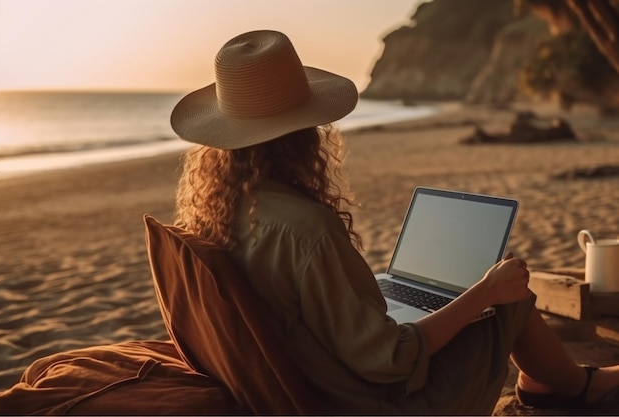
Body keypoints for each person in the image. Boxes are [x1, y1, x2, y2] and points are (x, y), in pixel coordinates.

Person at [169, 29, 619, 414]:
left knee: (451, 298)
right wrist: (485, 291)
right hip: (369, 402)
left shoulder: (220, 211)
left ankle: (552, 381)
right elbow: (391, 358)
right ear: (305, 133)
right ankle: (572, 386)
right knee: (510, 297)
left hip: (300, 382)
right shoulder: (307, 228)